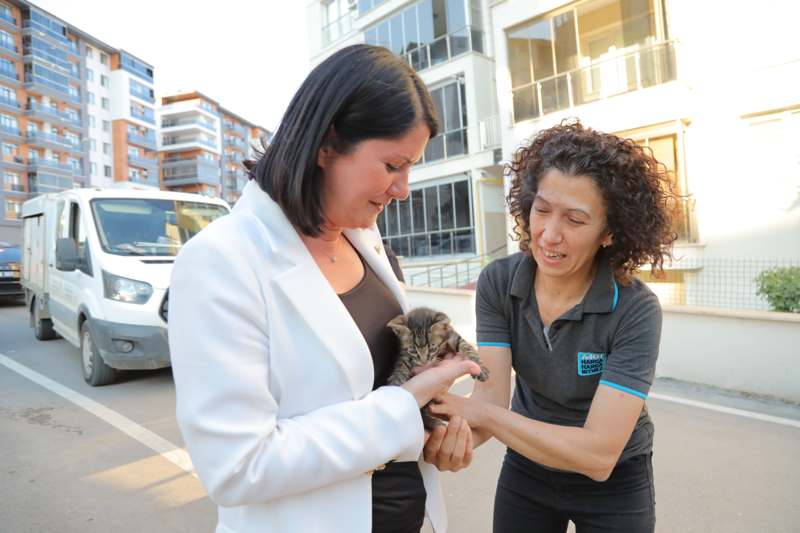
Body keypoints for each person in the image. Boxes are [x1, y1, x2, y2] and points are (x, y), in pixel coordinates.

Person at [167, 44, 480, 533]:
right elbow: (238, 467)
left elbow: (378, 381)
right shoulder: (222, 262)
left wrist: (433, 429)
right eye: (393, 165)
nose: (404, 189)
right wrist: (402, 408)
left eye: (411, 167)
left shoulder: (364, 239)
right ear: (328, 144)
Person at [429, 121, 678, 532]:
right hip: (527, 467)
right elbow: (490, 398)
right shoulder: (498, 283)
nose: (549, 235)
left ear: (609, 233)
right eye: (541, 210)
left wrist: (482, 416)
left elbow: (598, 455)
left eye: (575, 220)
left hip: (615, 480)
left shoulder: (635, 309)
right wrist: (449, 439)